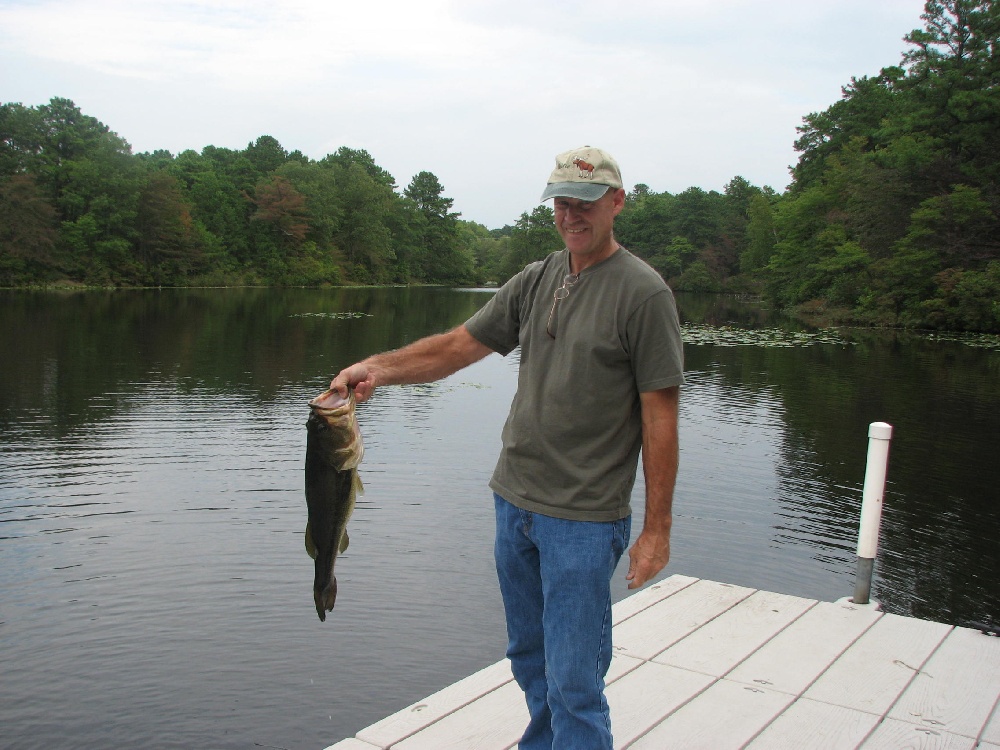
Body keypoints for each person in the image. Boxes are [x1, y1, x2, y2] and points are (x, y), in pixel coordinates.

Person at [330, 145, 684, 749]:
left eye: (586, 203)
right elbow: (455, 347)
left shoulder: (643, 294)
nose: (571, 216)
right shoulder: (538, 278)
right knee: (528, 659)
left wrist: (657, 529)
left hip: (583, 518)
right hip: (513, 503)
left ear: (617, 202)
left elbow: (661, 416)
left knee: (574, 680)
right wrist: (376, 368)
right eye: (561, 203)